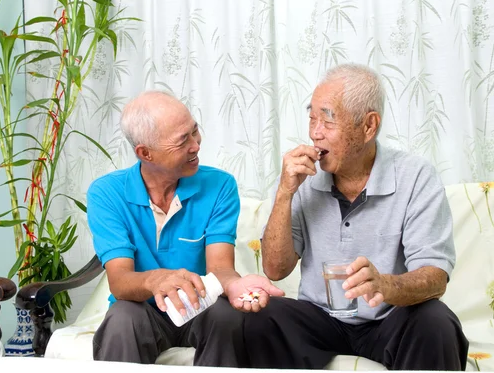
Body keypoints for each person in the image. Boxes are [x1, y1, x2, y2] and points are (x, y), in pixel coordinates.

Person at [244, 64, 469, 370]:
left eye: (328, 119)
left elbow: (435, 277)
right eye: (312, 118)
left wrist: (386, 285)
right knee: (255, 320)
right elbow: (275, 268)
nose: (315, 133)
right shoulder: (301, 179)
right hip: (319, 318)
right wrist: (285, 193)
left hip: (389, 318)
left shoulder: (415, 176)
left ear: (368, 126)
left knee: (437, 322)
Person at [87, 91, 283, 366]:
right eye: (182, 140)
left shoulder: (220, 185)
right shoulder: (107, 193)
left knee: (227, 317)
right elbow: (120, 282)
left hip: (200, 307)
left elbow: (220, 268)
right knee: (122, 318)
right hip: (144, 313)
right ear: (145, 153)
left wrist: (236, 284)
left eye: (194, 131)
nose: (195, 145)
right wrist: (156, 280)